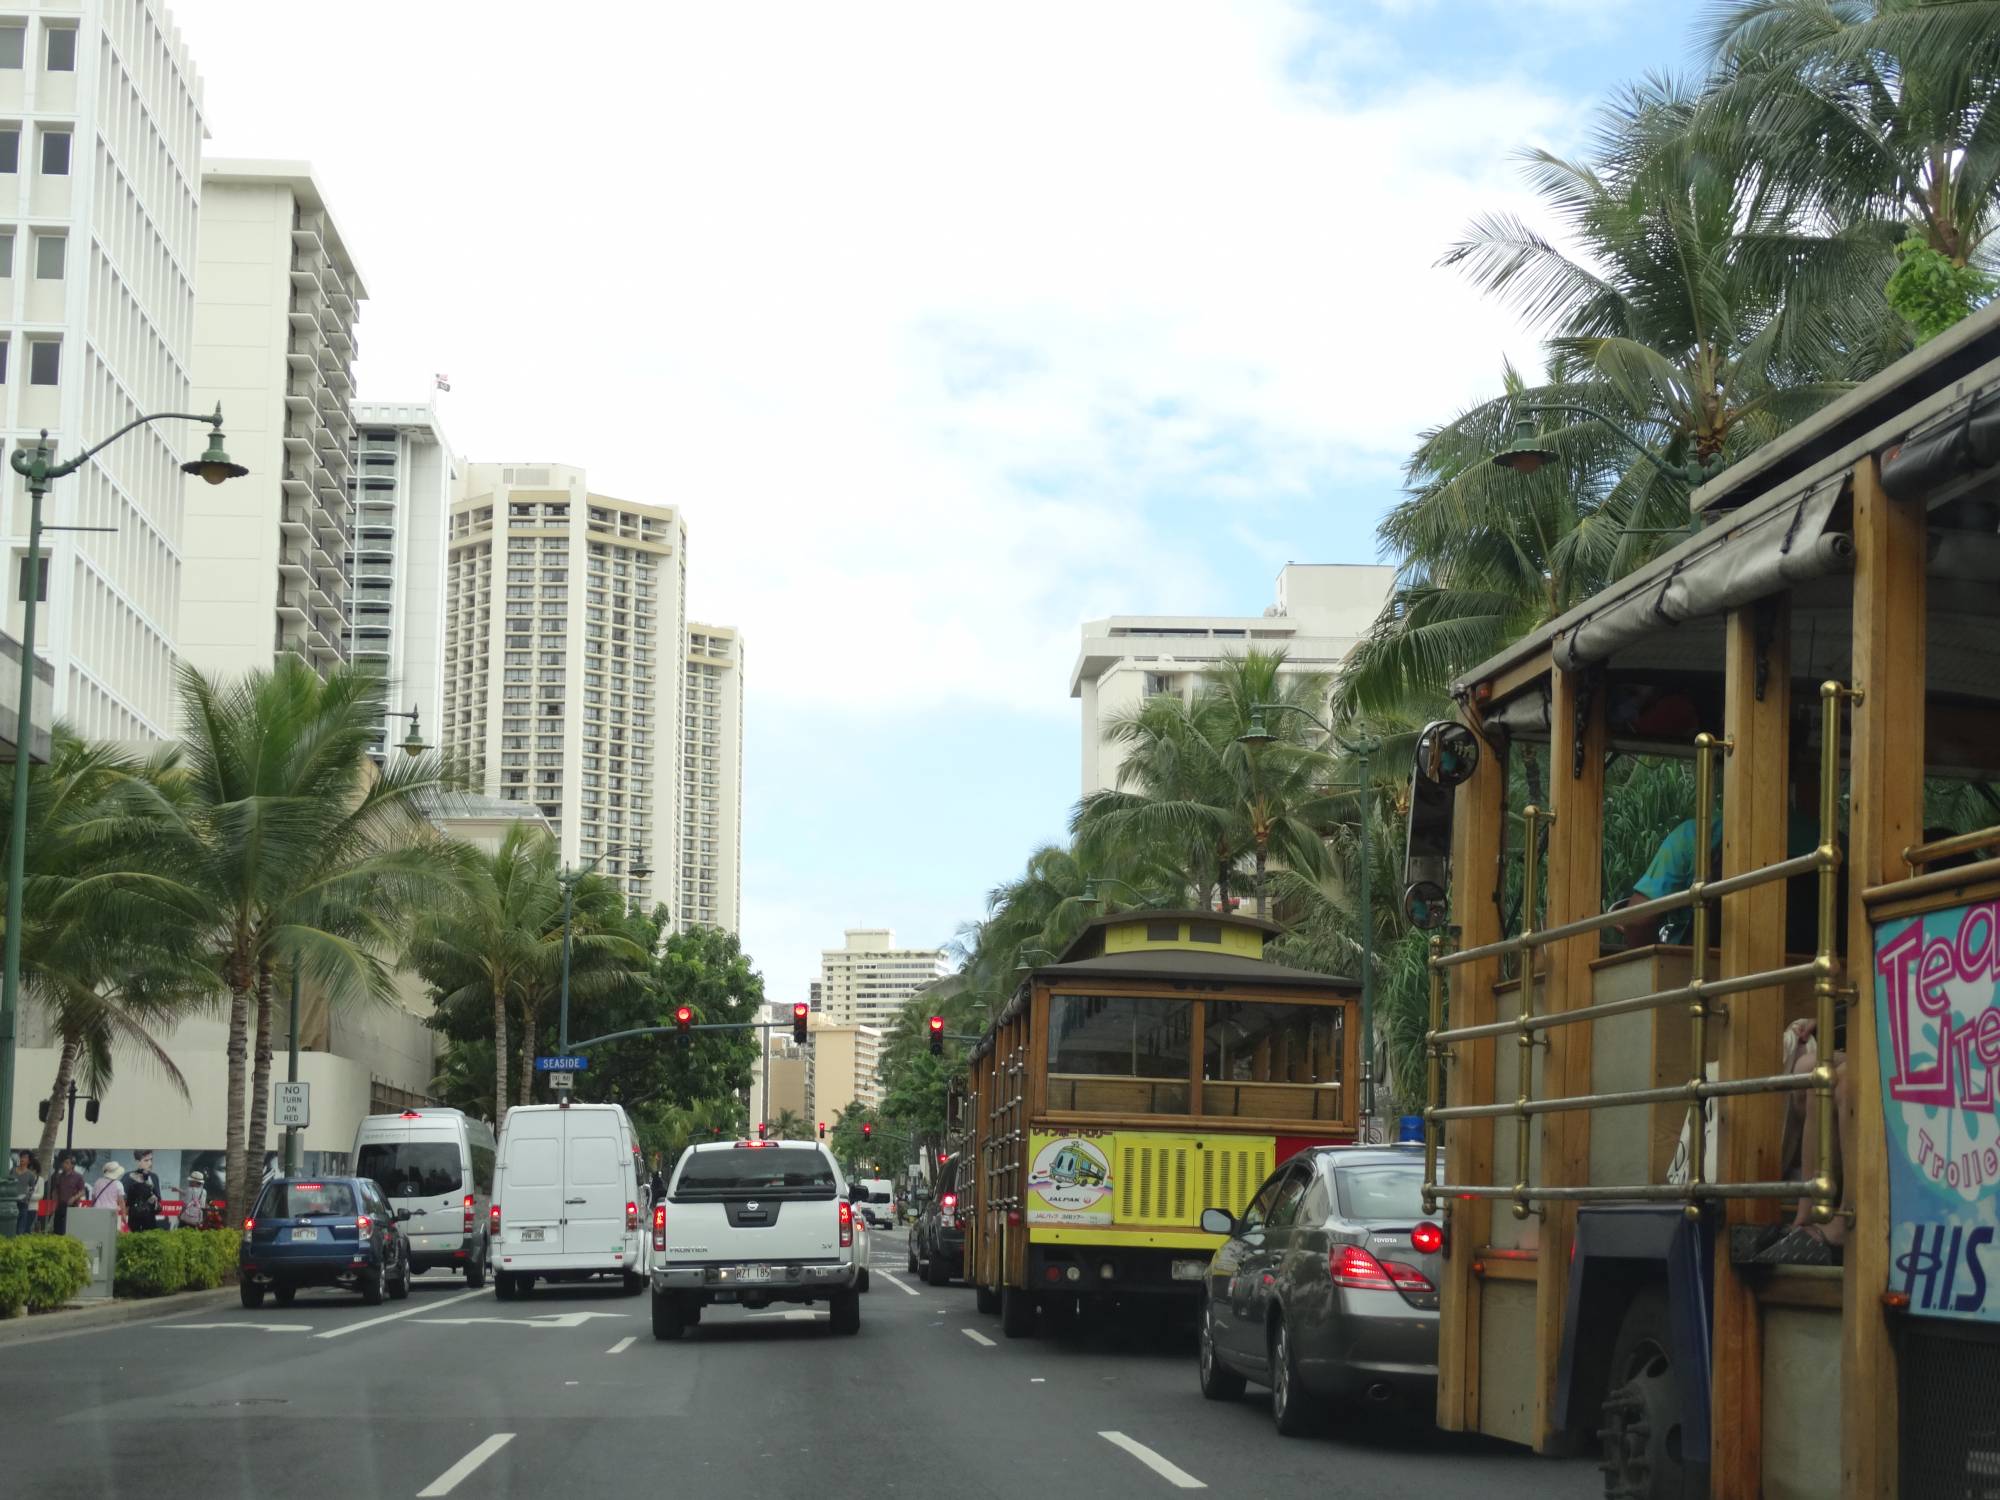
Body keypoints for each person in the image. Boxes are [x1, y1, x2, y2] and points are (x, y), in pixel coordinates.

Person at [1616, 733, 1838, 954]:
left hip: (1713, 978)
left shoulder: (1694, 837)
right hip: (1816, 973)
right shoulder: (1833, 841)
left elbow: (1637, 921)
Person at [49, 1152, 86, 1236]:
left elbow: (82, 1191)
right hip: (60, 1205)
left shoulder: (78, 1177)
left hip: (72, 1206)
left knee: (69, 1228)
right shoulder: (59, 1176)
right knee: (57, 1228)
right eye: (64, 1163)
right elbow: (56, 1189)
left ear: (72, 1165)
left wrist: (74, 1198)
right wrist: (54, 1199)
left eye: (67, 1163)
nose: (64, 1165)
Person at [125, 1150, 163, 1232]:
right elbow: (125, 1199)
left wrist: (154, 1198)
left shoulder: (153, 1177)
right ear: (137, 1161)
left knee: (149, 1239)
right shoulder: (128, 1177)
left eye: (151, 1160)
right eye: (146, 1160)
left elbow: (159, 1197)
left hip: (150, 1216)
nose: (150, 1163)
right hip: (134, 1216)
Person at [87, 1160, 128, 1229]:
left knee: (98, 1229)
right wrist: (124, 1214)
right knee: (110, 1231)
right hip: (111, 1212)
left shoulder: (98, 1182)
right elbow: (121, 1201)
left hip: (98, 1211)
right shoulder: (118, 1184)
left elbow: (93, 1198)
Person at [12, 1151, 41, 1236]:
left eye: (25, 1157)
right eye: (21, 1157)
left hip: (23, 1203)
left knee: (21, 1229)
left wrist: (27, 1197)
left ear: (29, 1161)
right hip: (12, 1202)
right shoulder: (13, 1171)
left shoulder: (30, 1174)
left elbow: (32, 1189)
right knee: (12, 1226)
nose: (22, 1159)